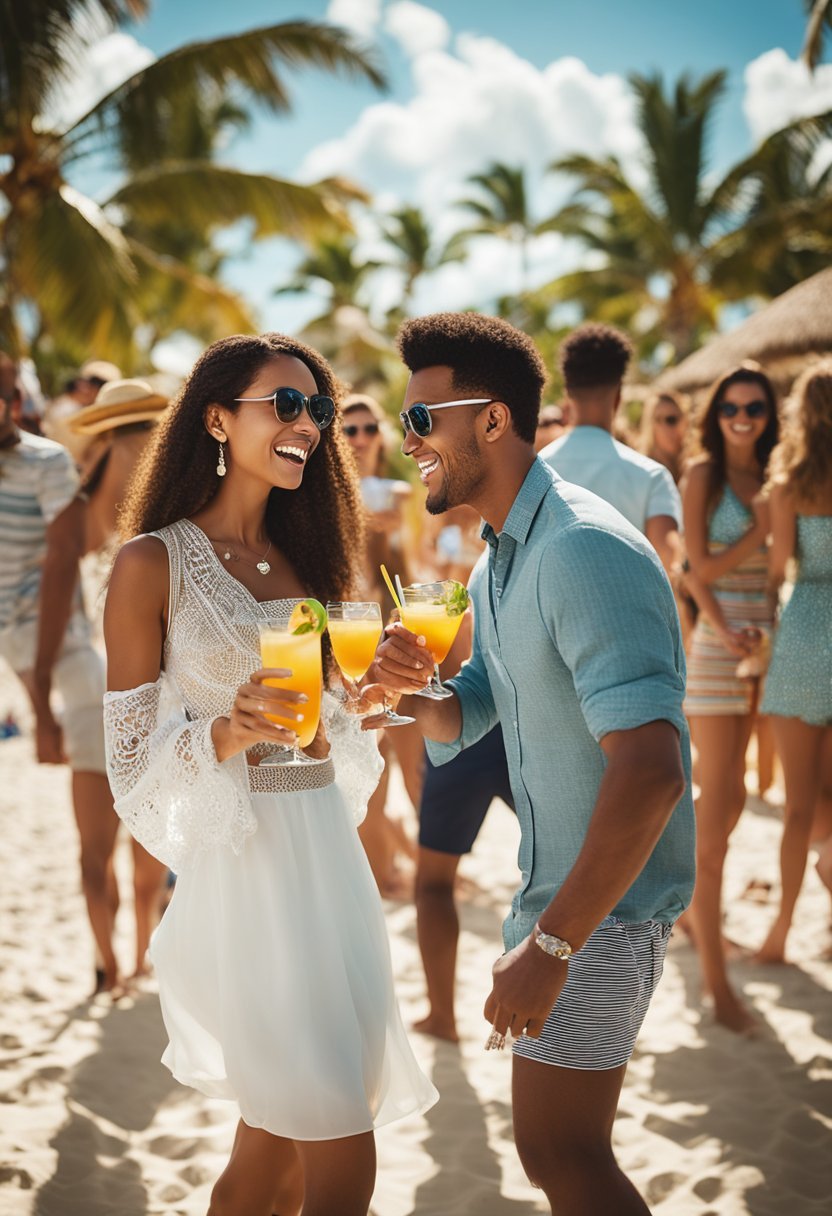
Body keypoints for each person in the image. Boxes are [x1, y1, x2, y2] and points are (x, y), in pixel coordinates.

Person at [366, 312, 694, 1216]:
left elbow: (654, 770)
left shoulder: (580, 546)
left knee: (562, 1152)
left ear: (495, 422)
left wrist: (553, 945)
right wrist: (412, 690)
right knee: (558, 1155)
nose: (410, 445)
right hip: (560, 901)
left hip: (601, 913)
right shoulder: (496, 560)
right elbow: (475, 706)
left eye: (423, 422)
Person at [102, 333, 436, 1216]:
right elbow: (129, 761)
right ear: (216, 417)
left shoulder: (307, 564)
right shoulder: (150, 564)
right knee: (339, 1139)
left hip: (327, 852)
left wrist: (366, 697)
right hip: (249, 875)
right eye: (284, 405)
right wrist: (224, 730)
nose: (310, 426)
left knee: (274, 1157)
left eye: (319, 409)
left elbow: (325, 736)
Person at [0, 353, 124, 994]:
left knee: (107, 822)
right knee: (103, 828)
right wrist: (35, 699)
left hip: (67, 658)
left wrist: (39, 701)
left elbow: (56, 573)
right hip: (52, 661)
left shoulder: (48, 465)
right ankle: (110, 961)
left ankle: (114, 961)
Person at [682, 362, 779, 1033]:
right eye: (731, 408)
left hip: (771, 649)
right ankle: (715, 982)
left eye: (755, 408)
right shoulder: (702, 477)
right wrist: (760, 528)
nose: (742, 418)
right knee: (715, 817)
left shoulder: (777, 477)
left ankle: (690, 907)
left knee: (736, 797)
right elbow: (696, 572)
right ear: (716, 415)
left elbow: (779, 575)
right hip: (717, 653)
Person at [70, 378, 172, 974]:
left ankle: (129, 961)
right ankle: (116, 962)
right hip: (96, 694)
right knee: (104, 847)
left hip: (138, 694)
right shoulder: (87, 518)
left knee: (136, 847)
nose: (149, 444)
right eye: (138, 434)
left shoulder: (163, 515)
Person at [755, 361, 832, 963]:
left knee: (798, 806)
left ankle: (781, 929)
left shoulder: (789, 484)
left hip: (805, 632)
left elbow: (778, 572)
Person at [340, 391, 421, 897]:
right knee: (367, 765)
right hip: (345, 638)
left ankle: (418, 863)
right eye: (350, 430)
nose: (362, 439)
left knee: (409, 759)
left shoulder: (399, 494)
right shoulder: (322, 498)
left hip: (389, 630)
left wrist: (388, 536)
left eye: (370, 429)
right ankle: (385, 872)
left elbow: (406, 570)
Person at [540, 324, 682, 573]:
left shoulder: (534, 470)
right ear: (618, 397)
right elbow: (668, 560)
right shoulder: (651, 476)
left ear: (567, 396)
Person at [43, 360, 121, 462]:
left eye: (100, 384)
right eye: (91, 382)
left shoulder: (116, 424)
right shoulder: (65, 412)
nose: (92, 388)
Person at [639, 390, 689, 484]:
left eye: (671, 420)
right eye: (657, 419)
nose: (663, 427)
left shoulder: (693, 469)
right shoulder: (641, 471)